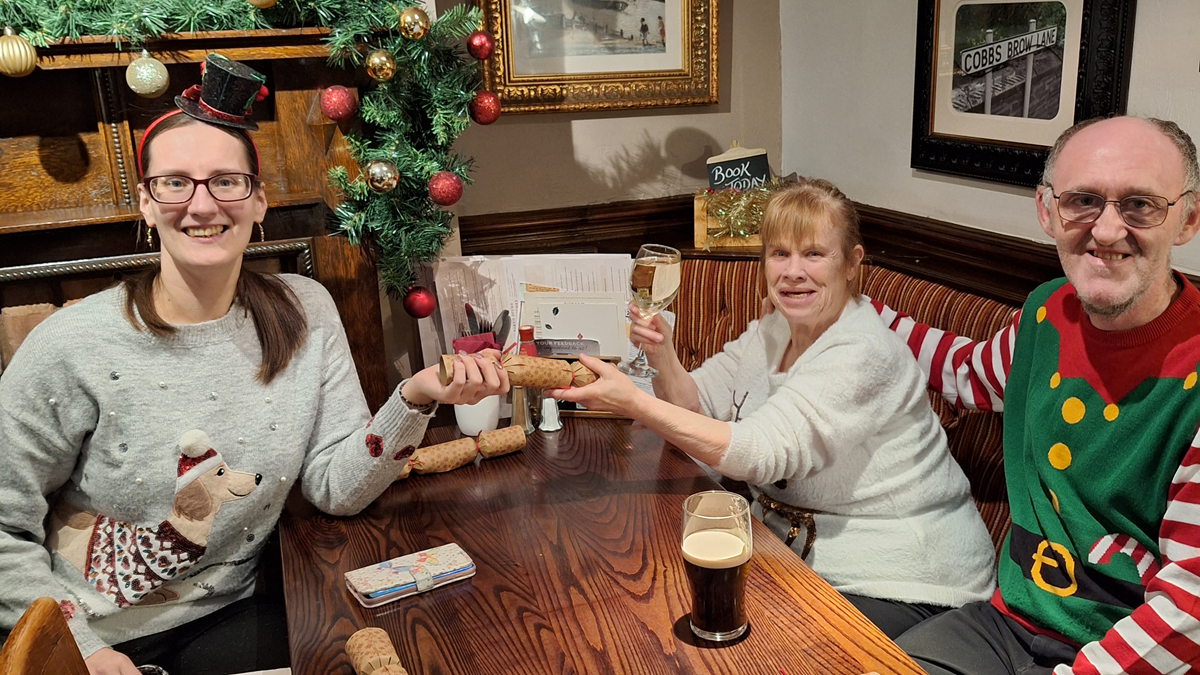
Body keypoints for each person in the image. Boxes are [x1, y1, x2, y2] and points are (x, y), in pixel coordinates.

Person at [0, 54, 508, 675]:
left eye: (225, 181)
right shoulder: (72, 345)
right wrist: (84, 653)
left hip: (242, 610)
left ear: (259, 200)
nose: (202, 204)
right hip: (93, 635)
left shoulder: (306, 310)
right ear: (146, 203)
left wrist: (416, 397)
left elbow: (333, 489)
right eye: (175, 182)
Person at [551, 179, 997, 638]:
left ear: (851, 264)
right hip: (797, 559)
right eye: (779, 253)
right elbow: (696, 403)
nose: (793, 271)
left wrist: (634, 402)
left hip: (909, 581)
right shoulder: (772, 330)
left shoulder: (864, 352)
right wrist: (663, 355)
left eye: (814, 254)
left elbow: (759, 452)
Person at [877, 116, 1200, 675]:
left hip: (1128, 653)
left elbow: (1188, 608)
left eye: (1140, 205)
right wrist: (857, 312)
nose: (1105, 231)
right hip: (1005, 625)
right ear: (1047, 210)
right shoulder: (1047, 311)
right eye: (1083, 201)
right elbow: (967, 373)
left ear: (1187, 220)